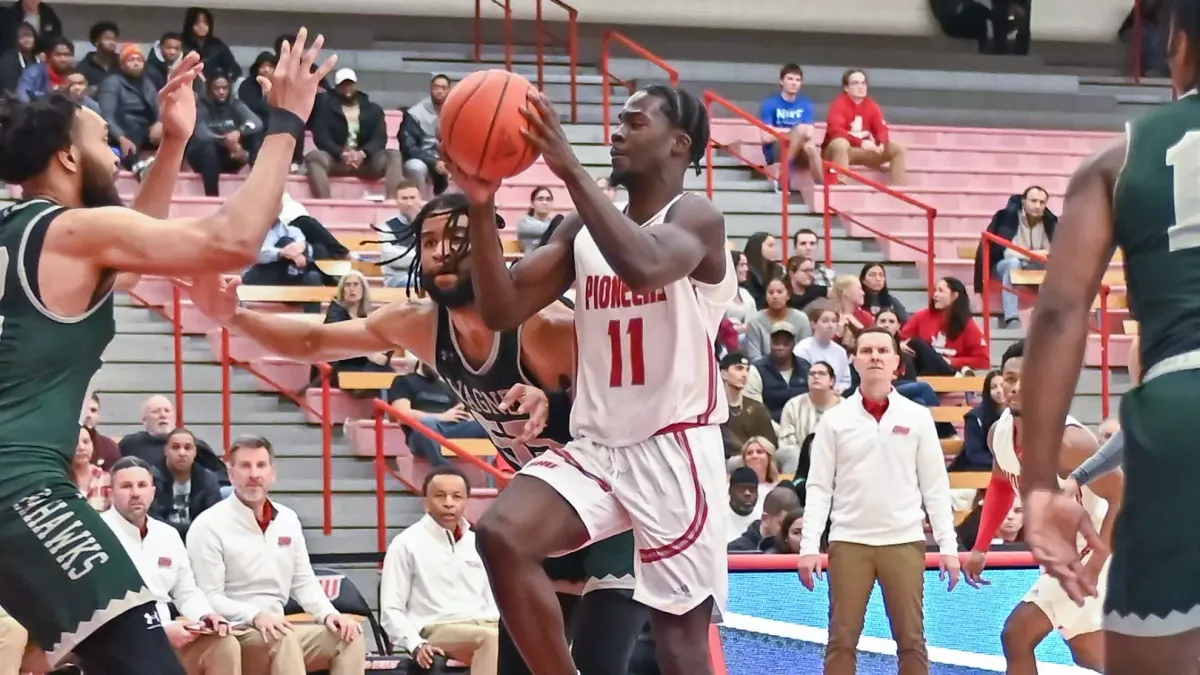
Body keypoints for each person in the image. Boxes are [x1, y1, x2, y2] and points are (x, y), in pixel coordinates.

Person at [185, 191, 646, 675]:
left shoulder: (546, 328)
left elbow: (640, 402)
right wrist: (233, 315)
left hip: (618, 508)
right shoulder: (422, 324)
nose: (442, 251)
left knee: (603, 662)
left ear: (492, 246)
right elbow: (313, 341)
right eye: (429, 241)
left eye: (460, 239)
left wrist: (554, 400)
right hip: (547, 515)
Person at [0, 31, 333, 674]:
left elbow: (124, 264)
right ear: (69, 159)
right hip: (19, 484)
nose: (119, 154)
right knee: (144, 659)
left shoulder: (25, 234)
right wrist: (286, 122)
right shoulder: (72, 230)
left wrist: (175, 142)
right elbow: (233, 239)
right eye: (102, 140)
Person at [449, 84, 734, 675]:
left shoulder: (696, 217)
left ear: (679, 144)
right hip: (600, 446)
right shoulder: (579, 229)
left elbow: (647, 266)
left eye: (635, 122)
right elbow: (502, 310)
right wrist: (480, 202)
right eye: (617, 121)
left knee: (679, 642)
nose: (618, 132)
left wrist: (568, 166)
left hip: (675, 446)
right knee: (502, 535)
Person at [1017, 3, 1200, 671]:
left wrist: (1040, 483)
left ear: (1177, 47)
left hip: (1181, 403)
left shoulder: (1119, 161)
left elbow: (1062, 311)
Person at [797, 327, 960, 675]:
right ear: (854, 361)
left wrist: (948, 546)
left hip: (904, 540)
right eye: (867, 350)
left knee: (912, 641)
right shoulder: (834, 420)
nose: (874, 356)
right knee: (841, 640)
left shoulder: (917, 417)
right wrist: (809, 546)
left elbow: (935, 486)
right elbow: (819, 487)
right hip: (848, 541)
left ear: (897, 363)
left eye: (883, 351)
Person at [963, 341, 1121, 673]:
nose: (1017, 386)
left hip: (1102, 552)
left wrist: (1095, 564)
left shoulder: (1070, 443)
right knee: (1089, 651)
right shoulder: (999, 432)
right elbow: (1001, 483)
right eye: (1009, 377)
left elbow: (1125, 497)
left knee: (1017, 635)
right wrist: (980, 547)